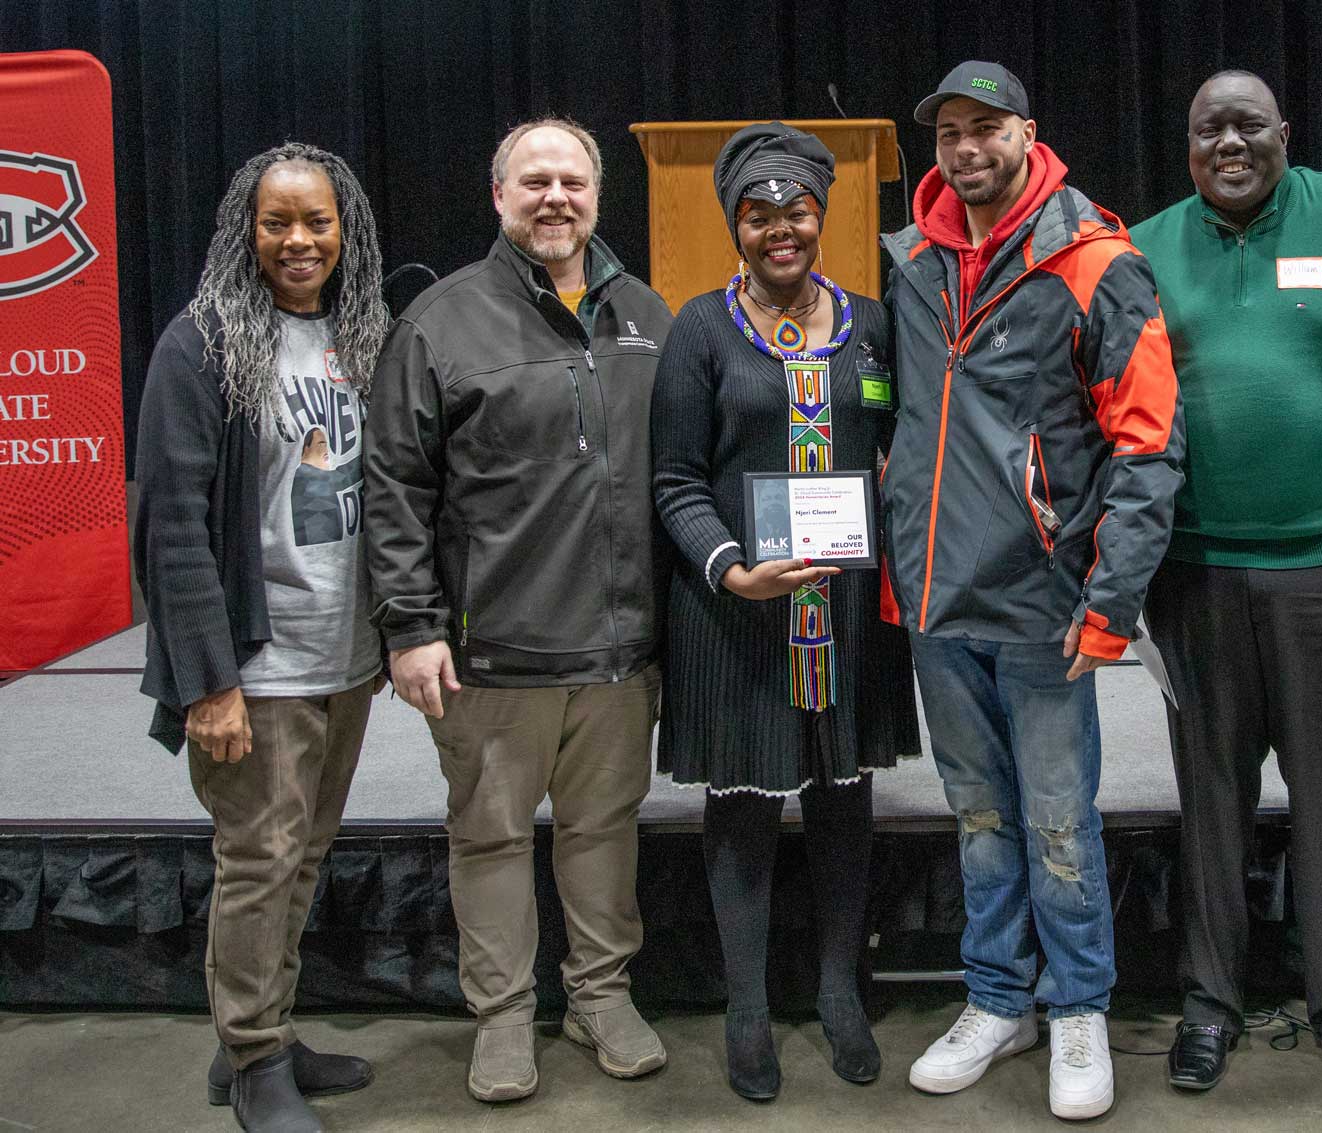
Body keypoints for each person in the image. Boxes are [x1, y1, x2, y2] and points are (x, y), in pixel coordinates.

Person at [883, 61, 1184, 1121]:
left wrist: (1111, 603)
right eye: (949, 133)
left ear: (1029, 133)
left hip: (1047, 608)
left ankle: (1078, 1007)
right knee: (977, 816)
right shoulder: (910, 262)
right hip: (935, 603)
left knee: (1058, 818)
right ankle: (998, 995)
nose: (966, 149)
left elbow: (1148, 450)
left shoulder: (1096, 262)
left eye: (986, 128)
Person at [1130, 69, 1322, 1094]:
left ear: (1283, 134)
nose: (1230, 142)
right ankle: (1210, 1002)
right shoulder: (1144, 244)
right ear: (1186, 144)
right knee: (1210, 800)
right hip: (1196, 569)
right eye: (1209, 125)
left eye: (1248, 125)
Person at [363, 117, 673, 1103]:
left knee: (602, 832)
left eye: (572, 181)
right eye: (533, 180)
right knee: (490, 841)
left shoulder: (648, 314)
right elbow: (394, 485)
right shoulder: (440, 323)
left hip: (622, 653)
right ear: (499, 197)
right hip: (492, 655)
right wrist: (411, 625)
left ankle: (598, 994)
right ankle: (501, 1017)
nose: (555, 197)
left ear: (596, 196)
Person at [650, 122, 921, 1101]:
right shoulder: (699, 330)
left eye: (797, 212)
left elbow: (899, 445)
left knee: (846, 797)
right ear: (736, 222)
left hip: (846, 617)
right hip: (740, 617)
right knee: (745, 809)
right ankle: (748, 1007)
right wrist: (731, 569)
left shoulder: (871, 326)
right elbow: (675, 480)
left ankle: (840, 986)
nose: (780, 230)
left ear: (821, 215)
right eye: (758, 214)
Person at [135, 142, 388, 1133]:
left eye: (316, 221)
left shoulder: (361, 335)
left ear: (345, 229)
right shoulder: (201, 344)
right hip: (259, 663)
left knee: (302, 853)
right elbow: (171, 526)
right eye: (277, 221)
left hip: (346, 657)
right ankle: (251, 1060)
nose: (298, 240)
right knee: (260, 855)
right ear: (246, 229)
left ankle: (263, 1032)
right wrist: (208, 680)